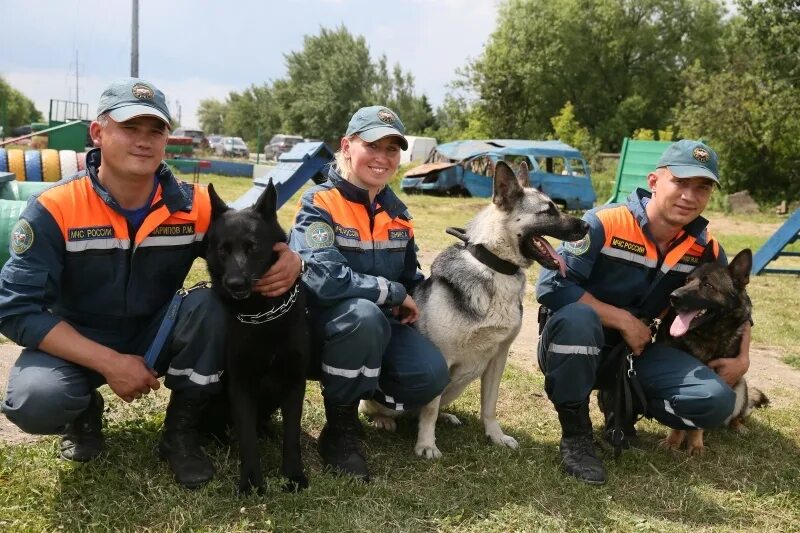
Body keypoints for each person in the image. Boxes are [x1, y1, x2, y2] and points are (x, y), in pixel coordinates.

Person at [0, 78, 301, 489]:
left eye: (155, 131)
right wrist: (109, 362)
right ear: (97, 132)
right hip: (78, 338)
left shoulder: (194, 206)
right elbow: (15, 309)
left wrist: (292, 256)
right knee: (35, 400)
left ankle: (181, 433)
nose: (143, 141)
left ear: (166, 139)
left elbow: (253, 236)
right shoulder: (54, 208)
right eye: (129, 128)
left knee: (212, 306)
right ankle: (83, 411)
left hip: (155, 333)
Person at [536, 140, 750, 485]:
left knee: (715, 401)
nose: (690, 196)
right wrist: (624, 321)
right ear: (653, 181)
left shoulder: (705, 246)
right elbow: (551, 287)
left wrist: (743, 357)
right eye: (680, 182)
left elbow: (737, 301)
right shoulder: (603, 222)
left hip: (639, 353)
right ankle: (576, 438)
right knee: (579, 319)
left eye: (702, 188)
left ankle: (622, 406)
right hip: (578, 343)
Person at [289, 106, 449, 481]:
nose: (382, 157)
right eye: (372, 145)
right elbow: (323, 279)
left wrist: (419, 295)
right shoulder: (318, 203)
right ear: (347, 146)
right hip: (321, 328)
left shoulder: (399, 215)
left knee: (430, 373)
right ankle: (339, 428)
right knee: (363, 314)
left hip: (380, 327)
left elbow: (411, 277)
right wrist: (391, 292)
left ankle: (365, 391)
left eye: (392, 149)